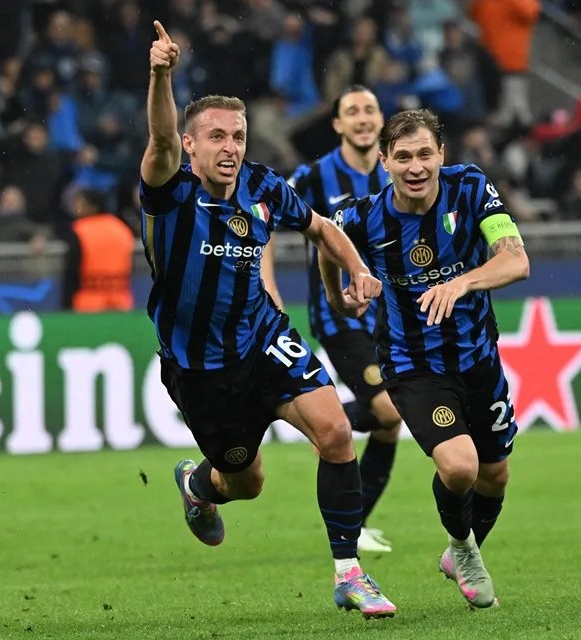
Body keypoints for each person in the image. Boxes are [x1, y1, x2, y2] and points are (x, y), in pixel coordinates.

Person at [140, 21, 396, 618]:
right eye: (217, 137)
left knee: (334, 433)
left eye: (238, 135)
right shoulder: (170, 190)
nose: (230, 147)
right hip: (201, 369)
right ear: (191, 144)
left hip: (264, 338)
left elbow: (323, 228)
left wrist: (357, 271)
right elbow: (156, 142)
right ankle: (199, 486)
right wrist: (161, 75)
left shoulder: (262, 186)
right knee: (245, 482)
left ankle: (349, 573)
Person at [320, 108, 529, 609]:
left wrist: (461, 282)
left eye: (424, 154)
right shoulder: (364, 215)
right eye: (403, 156)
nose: (416, 166)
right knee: (460, 467)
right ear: (386, 162)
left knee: (494, 475)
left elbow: (515, 258)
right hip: (414, 365)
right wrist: (337, 294)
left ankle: (461, 549)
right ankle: (463, 548)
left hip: (478, 356)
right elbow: (326, 239)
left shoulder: (472, 189)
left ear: (442, 155)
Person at [260, 85, 402, 554]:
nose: (362, 118)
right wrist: (270, 289)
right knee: (386, 409)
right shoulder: (315, 176)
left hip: (390, 317)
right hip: (339, 317)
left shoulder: (398, 173)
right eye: (351, 112)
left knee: (388, 423)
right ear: (338, 124)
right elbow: (263, 219)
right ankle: (326, 419)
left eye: (369, 109)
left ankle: (355, 524)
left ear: (380, 121)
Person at [62, 188, 135, 312]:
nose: (75, 209)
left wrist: (66, 304)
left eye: (80, 204)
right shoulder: (122, 229)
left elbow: (72, 271)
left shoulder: (79, 230)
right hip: (120, 302)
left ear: (93, 206)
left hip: (88, 304)